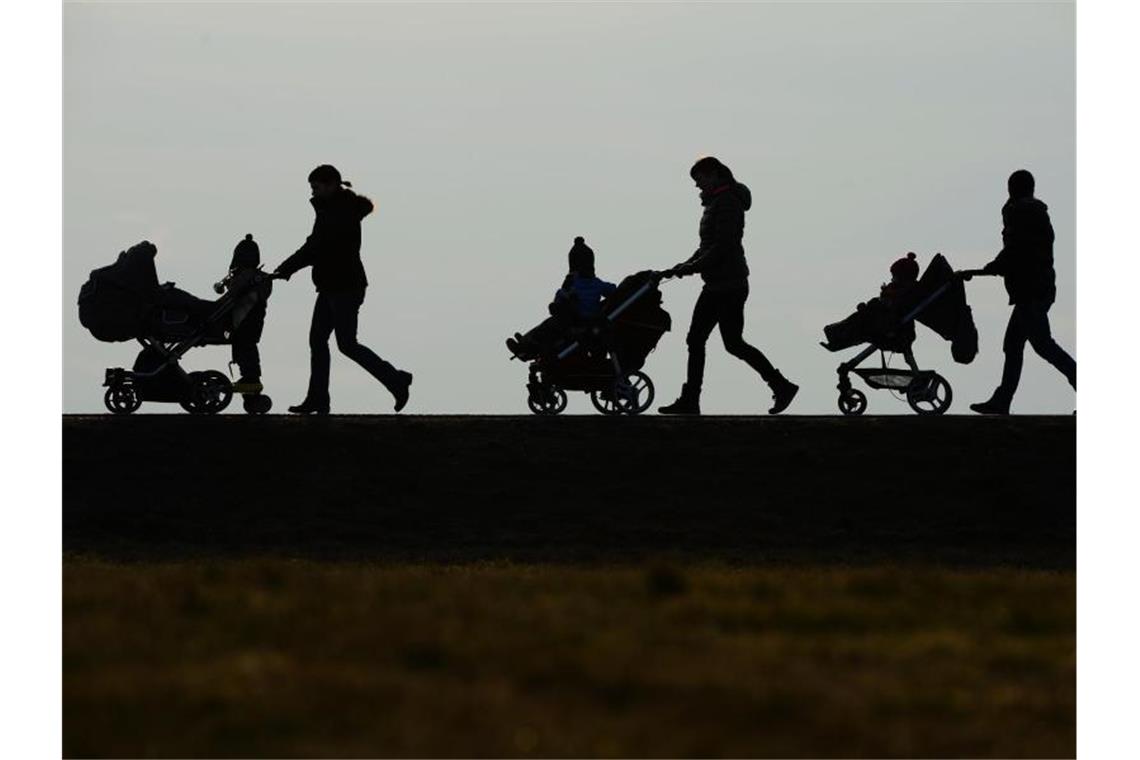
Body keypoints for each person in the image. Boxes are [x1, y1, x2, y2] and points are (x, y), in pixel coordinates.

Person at [658, 156, 799, 415]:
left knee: (701, 339)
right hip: (722, 283)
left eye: (699, 179)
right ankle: (781, 386)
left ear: (713, 175)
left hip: (726, 285)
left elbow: (723, 247)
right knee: (730, 343)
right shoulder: (717, 203)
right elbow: (707, 246)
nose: (697, 185)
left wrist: (690, 268)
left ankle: (692, 400)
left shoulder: (727, 203)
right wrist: (683, 266)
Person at [274, 164, 412, 414]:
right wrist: (287, 268)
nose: (313, 193)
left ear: (330, 184)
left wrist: (286, 268)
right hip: (330, 286)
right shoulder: (332, 209)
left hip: (345, 286)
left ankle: (396, 379)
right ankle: (318, 398)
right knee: (318, 340)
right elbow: (315, 245)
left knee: (346, 343)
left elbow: (316, 246)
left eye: (316, 187)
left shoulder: (339, 212)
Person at [966, 170, 1075, 415]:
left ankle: (1003, 400)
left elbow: (1018, 249)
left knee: (1041, 346)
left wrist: (995, 266)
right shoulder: (1034, 212)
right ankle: (1002, 400)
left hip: (1032, 291)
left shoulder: (1019, 211)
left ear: (1012, 188)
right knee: (1016, 345)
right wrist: (998, 266)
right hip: (1038, 288)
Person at [506, 236, 617, 359]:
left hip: (577, 321)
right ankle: (527, 344)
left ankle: (526, 346)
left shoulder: (572, 283)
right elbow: (612, 290)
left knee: (548, 325)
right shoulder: (597, 283)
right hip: (586, 318)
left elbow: (559, 298)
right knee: (550, 324)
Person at [217, 233, 272, 394]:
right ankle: (250, 378)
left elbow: (232, 296)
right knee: (246, 347)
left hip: (244, 320)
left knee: (244, 346)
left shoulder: (246, 277)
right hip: (254, 320)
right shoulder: (261, 278)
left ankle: (251, 378)